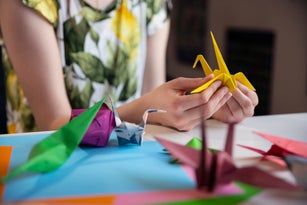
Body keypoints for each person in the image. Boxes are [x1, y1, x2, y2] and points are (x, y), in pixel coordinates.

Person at [0, 0, 258, 134]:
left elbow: (155, 101)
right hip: (43, 169)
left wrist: (207, 109)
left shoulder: (149, 4)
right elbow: (54, 126)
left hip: (124, 160)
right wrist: (148, 108)